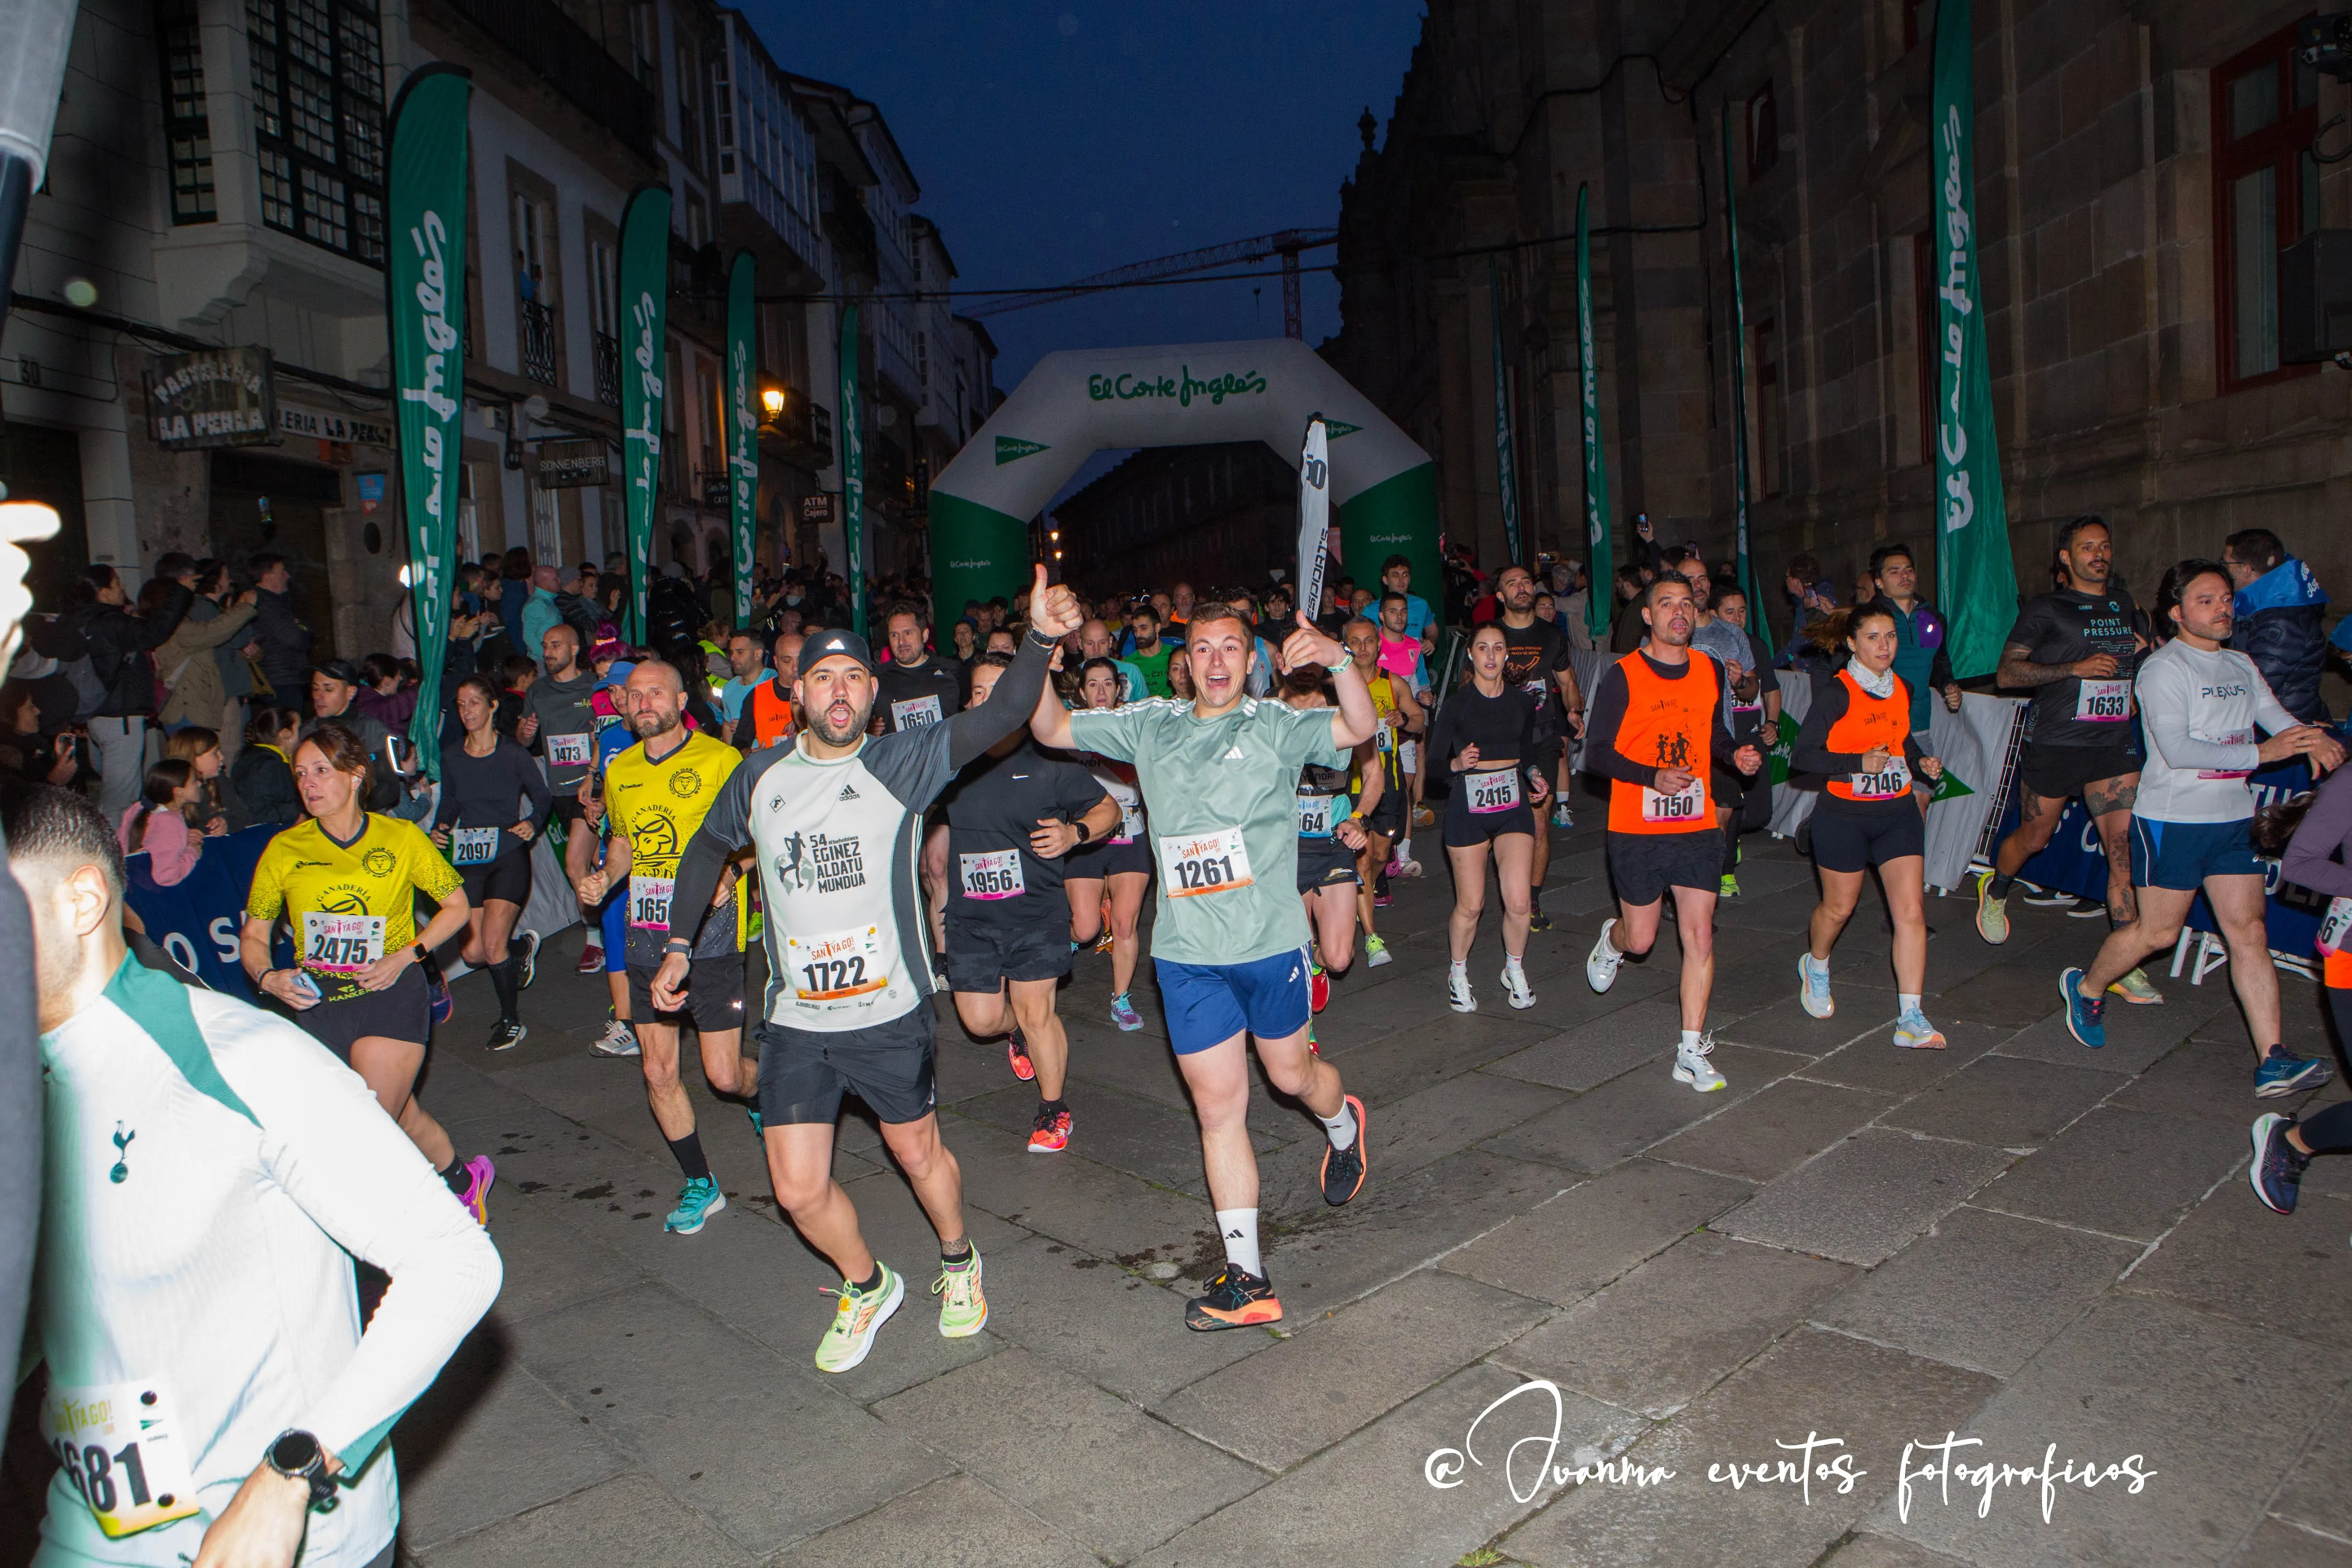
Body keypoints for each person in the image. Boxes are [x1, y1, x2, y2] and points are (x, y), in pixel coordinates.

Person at [9, 781, 501, 1568]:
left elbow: (453, 1260)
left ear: (82, 901)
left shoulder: (234, 1059)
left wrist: (293, 1472)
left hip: (283, 1534)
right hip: (97, 1526)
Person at [653, 574, 1079, 1373]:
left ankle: (958, 1258)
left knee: (918, 1157)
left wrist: (1039, 640)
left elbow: (1000, 714)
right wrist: (680, 942)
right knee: (796, 1191)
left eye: (853, 676)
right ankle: (867, 1282)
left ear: (873, 693)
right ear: (797, 692)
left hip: (888, 1014)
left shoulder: (901, 761)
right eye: (823, 677)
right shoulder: (759, 775)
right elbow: (707, 845)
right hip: (797, 1022)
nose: (839, 690)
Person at [1032, 601, 1375, 1332]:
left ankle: (1343, 1122)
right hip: (1189, 958)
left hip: (1270, 946)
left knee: (1291, 1078)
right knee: (1218, 1111)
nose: (1216, 661)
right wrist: (1038, 648)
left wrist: (1339, 659)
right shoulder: (1150, 724)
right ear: (1184, 662)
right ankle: (1248, 1279)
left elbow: (1358, 726)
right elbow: (1052, 728)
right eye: (1202, 649)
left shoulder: (1275, 725)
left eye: (1230, 648)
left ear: (1250, 661)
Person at [2058, 561, 2343, 1093]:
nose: (2222, 609)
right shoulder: (2163, 669)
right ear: (2177, 612)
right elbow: (2178, 750)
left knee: (2249, 932)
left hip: (2232, 822)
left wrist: (2312, 739)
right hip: (2173, 822)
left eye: (2226, 599)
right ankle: (2088, 986)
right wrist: (2262, 754)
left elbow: (2276, 717)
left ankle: (2273, 1059)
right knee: (2158, 933)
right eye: (2206, 600)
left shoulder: (2240, 663)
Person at [240, 722, 497, 1220]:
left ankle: (383, 1248)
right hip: (318, 1003)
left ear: (356, 775)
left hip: (389, 991)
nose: (308, 783)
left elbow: (457, 907)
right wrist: (269, 978)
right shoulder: (284, 851)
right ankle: (465, 1180)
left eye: (321, 770)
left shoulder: (399, 838)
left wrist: (406, 956)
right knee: (401, 1116)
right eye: (300, 774)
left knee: (365, 1130)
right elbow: (254, 935)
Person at [571, 660, 758, 1235]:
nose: (644, 702)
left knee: (724, 1077)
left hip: (712, 933)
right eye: (634, 695)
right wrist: (607, 876)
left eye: (656, 692)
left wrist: (732, 871)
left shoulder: (721, 760)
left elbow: (763, 833)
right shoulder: (621, 769)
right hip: (648, 931)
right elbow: (624, 841)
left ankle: (763, 1092)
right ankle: (701, 1182)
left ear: (680, 700)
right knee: (656, 1068)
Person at [1583, 576, 1765, 1093]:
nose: (1678, 612)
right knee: (1641, 939)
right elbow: (1596, 754)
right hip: (1636, 828)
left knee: (1700, 934)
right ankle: (1612, 940)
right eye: (1666, 604)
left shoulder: (1709, 668)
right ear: (1648, 616)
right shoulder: (1623, 675)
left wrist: (1734, 755)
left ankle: (1689, 1050)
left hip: (1696, 824)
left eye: (1686, 603)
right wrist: (1650, 776)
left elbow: (1714, 734)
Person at [1974, 517, 2164, 1004]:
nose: (2098, 554)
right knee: (2034, 838)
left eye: (2104, 545)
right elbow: (2008, 673)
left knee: (2121, 852)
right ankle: (1996, 888)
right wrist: (2073, 669)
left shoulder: (2124, 605)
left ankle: (2124, 960)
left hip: (2112, 744)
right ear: (2066, 557)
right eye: (2087, 547)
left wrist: (2138, 687)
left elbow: (2140, 660)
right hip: (2056, 743)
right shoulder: (2046, 609)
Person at [945, 651, 1118, 1152]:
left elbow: (1108, 809)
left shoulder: (1047, 760)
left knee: (1036, 1010)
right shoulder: (950, 757)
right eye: (979, 693)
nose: (989, 702)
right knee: (980, 1021)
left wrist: (1074, 832)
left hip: (1035, 913)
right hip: (971, 918)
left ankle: (1053, 1109)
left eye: (1000, 692)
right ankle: (1017, 1032)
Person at [1789, 607, 1952, 1048]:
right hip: (1843, 816)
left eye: (1891, 636)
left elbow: (1902, 740)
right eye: (1874, 637)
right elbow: (1802, 755)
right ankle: (1816, 964)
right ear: (1852, 643)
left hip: (1897, 813)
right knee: (1839, 909)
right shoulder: (1837, 693)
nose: (1884, 646)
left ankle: (1911, 1016)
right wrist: (1856, 763)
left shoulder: (1902, 687)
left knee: (1911, 912)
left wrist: (1919, 761)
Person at [1429, 622, 1550, 1012]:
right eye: (1483, 648)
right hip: (1469, 806)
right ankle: (1458, 971)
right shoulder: (1457, 704)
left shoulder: (1522, 703)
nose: (1492, 655)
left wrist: (1533, 774)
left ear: (1507, 654)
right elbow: (1433, 766)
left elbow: (1527, 753)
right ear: (1471, 654)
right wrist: (1456, 763)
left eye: (1498, 647)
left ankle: (1514, 967)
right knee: (1472, 904)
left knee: (1519, 901)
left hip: (1512, 805)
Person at [432, 675, 551, 1051]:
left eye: (474, 702)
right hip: (470, 856)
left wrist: (532, 822)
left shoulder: (512, 753)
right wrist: (440, 827)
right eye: (460, 704)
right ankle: (522, 949)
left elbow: (542, 796)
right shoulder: (452, 755)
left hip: (508, 854)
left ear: (492, 706)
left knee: (492, 944)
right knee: (473, 952)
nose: (466, 710)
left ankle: (511, 1021)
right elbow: (450, 801)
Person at [1060, 656, 1155, 1029]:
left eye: (1108, 684)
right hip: (1085, 837)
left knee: (1125, 924)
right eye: (1093, 684)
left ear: (1119, 689)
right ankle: (1064, 937)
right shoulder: (1067, 731)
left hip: (1130, 834)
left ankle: (1121, 999)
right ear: (1082, 692)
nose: (1101, 691)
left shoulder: (1135, 729)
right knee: (1086, 929)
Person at [1281, 663, 1380, 1015]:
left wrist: (1359, 818)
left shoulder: (1348, 713)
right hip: (1287, 849)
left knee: (1338, 958)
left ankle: (1316, 963)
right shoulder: (1269, 711)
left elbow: (1374, 773)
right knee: (1291, 953)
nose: (1305, 668)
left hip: (1334, 843)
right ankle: (1302, 1031)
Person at [1492, 565, 1585, 916]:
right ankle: (1509, 886)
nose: (1521, 588)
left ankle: (1530, 900)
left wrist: (1574, 711)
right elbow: (1471, 685)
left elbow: (1568, 680)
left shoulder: (1552, 636)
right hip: (1499, 741)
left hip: (1543, 735)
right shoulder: (1490, 635)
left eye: (1526, 582)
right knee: (1503, 822)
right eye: (1512, 583)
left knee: (1540, 821)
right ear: (1500, 595)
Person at [874, 602, 966, 957]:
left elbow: (967, 716)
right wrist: (873, 734)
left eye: (908, 633)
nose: (901, 642)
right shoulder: (878, 679)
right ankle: (946, 928)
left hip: (944, 785)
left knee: (937, 866)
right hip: (901, 790)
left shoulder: (951, 671)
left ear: (925, 634)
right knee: (924, 872)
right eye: (894, 635)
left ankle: (944, 955)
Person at [70, 566, 194, 821]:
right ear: (103, 593)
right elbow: (156, 631)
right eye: (117, 584)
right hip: (120, 718)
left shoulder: (85, 620)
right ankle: (111, 843)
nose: (123, 587)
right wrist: (180, 592)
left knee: (116, 789)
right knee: (120, 800)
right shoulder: (111, 622)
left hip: (101, 715)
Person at [518, 623, 601, 969]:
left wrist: (599, 741)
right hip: (560, 792)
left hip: (593, 788)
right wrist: (525, 733)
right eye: (545, 646)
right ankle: (619, 925)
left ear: (574, 648)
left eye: (555, 645)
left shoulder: (594, 685)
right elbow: (524, 739)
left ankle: (595, 940)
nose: (548, 652)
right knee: (597, 863)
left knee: (575, 864)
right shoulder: (537, 690)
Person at [1344, 615, 1420, 958]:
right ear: (1346, 646)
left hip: (1388, 784)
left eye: (1368, 641)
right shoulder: (1338, 685)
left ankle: (1365, 890)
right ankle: (1371, 936)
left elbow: (1419, 720)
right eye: (1355, 641)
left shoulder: (1393, 683)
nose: (1362, 648)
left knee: (1378, 857)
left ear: (1378, 645)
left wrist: (1403, 720)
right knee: (1361, 862)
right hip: (1351, 787)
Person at [2220, 527, 2329, 724]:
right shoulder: (2263, 604)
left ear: (2246, 569)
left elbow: (2253, 687)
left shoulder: (2280, 620)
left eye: (2226, 564)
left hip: (2284, 727)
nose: (2222, 570)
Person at [1861, 544, 1964, 741]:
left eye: (1908, 570)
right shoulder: (1869, 619)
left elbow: (1939, 662)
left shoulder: (1933, 619)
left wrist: (1949, 686)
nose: (1904, 576)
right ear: (1879, 582)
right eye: (1895, 572)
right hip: (1877, 727)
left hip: (1919, 726)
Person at [307, 661, 426, 819]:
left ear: (350, 692)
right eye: (315, 689)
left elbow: (390, 787)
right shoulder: (307, 733)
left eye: (328, 689)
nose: (319, 696)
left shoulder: (374, 731)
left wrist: (353, 811)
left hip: (364, 821)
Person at [155, 576, 257, 737]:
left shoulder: (173, 625)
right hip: (187, 711)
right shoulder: (177, 628)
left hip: (189, 708)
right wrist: (244, 607)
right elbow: (214, 631)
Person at [119, 757, 216, 886]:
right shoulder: (171, 824)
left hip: (131, 883)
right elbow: (166, 876)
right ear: (178, 792)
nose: (199, 784)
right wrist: (192, 853)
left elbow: (123, 843)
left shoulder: (139, 808)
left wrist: (183, 840)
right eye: (194, 782)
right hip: (153, 891)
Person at [248, 552, 314, 712]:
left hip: (282, 678)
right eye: (282, 572)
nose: (287, 576)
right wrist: (304, 627)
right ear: (267, 576)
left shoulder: (274, 602)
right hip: (280, 680)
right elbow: (295, 639)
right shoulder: (267, 606)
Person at [228, 704, 303, 830]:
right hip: (264, 834)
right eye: (299, 729)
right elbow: (260, 812)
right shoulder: (266, 764)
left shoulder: (266, 758)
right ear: (286, 734)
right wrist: (301, 808)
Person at [1079, 618, 1148, 702]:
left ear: (1110, 642)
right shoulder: (1071, 679)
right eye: (1090, 644)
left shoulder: (1132, 672)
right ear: (1080, 643)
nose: (1096, 650)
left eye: (1102, 643)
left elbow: (1147, 708)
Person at [521, 563, 564, 673]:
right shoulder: (537, 604)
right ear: (544, 581)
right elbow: (529, 635)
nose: (560, 582)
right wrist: (547, 657)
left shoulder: (546, 602)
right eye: (556, 579)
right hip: (542, 663)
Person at [1126, 603, 1176, 696]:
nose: (1138, 634)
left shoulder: (1173, 656)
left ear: (1157, 628)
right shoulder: (1130, 664)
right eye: (1135, 630)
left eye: (1143, 628)